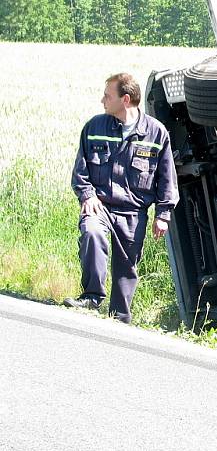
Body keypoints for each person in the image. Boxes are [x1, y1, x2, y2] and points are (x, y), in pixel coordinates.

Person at [65, 73, 178, 323]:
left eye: (107, 95)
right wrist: (87, 195)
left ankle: (119, 321)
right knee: (92, 232)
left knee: (126, 270)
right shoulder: (94, 127)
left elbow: (167, 178)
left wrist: (163, 214)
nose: (102, 100)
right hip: (101, 205)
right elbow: (80, 170)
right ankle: (92, 297)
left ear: (125, 99)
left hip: (133, 212)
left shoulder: (156, 133)